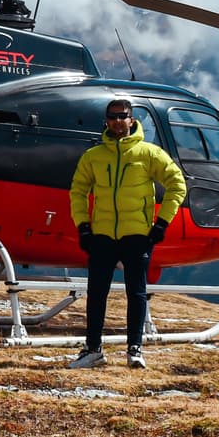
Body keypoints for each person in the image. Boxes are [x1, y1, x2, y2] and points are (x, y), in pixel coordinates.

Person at [67, 98, 186, 369]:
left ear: (132, 120)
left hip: (138, 235)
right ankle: (93, 350)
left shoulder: (149, 153)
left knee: (137, 292)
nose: (118, 121)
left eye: (123, 116)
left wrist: (161, 224)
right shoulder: (93, 157)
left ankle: (135, 349)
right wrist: (83, 226)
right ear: (106, 121)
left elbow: (177, 185)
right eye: (113, 116)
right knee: (97, 293)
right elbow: (78, 191)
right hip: (102, 236)